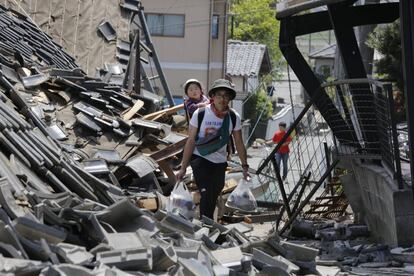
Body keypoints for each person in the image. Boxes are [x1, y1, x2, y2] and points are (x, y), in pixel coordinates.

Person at [176, 79, 250, 220]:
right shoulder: (201, 113)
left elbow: (239, 143)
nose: (222, 99)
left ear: (229, 98)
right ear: (213, 97)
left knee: (214, 192)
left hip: (220, 162)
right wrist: (183, 167)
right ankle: (207, 225)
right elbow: (190, 141)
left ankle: (207, 223)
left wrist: (245, 166)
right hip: (200, 159)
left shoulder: (233, 117)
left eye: (226, 96)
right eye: (219, 95)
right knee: (206, 192)